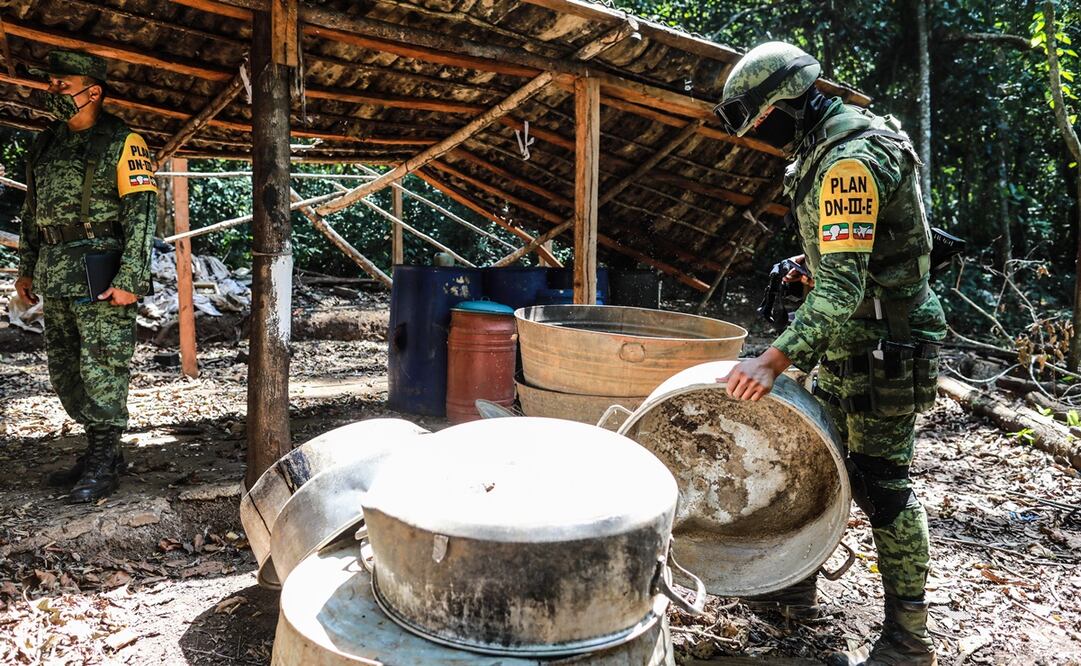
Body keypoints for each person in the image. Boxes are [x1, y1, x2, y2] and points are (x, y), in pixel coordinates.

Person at [714, 42, 945, 666]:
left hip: (884, 343)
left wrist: (770, 361)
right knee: (822, 460)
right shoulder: (824, 147)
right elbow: (851, 261)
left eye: (764, 123)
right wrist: (804, 265)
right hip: (854, 339)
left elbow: (844, 288)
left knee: (882, 484)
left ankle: (908, 638)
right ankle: (794, 587)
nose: (765, 137)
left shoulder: (848, 160)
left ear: (787, 105)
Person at [14, 50, 157, 503]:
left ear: (92, 91)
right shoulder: (45, 143)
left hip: (102, 275)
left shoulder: (123, 141)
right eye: (51, 84)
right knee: (66, 372)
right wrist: (26, 267)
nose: (52, 91)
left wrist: (131, 276)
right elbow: (31, 213)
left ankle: (103, 458)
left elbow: (142, 214)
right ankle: (102, 454)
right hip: (55, 274)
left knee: (103, 369)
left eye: (62, 84)